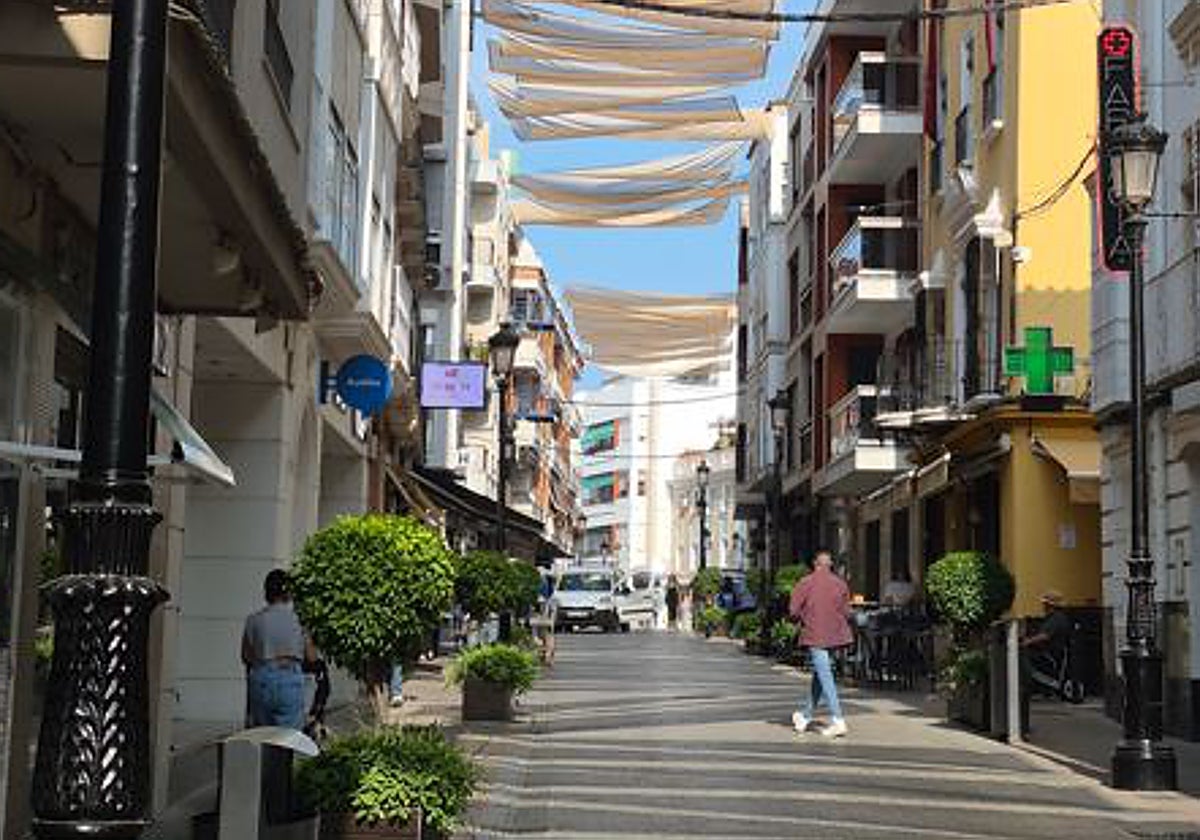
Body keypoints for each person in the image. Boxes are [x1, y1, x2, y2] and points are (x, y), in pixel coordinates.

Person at [789, 550, 853, 738]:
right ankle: (805, 716)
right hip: (835, 636)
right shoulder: (840, 584)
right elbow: (847, 612)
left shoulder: (805, 583)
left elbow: (793, 611)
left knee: (825, 675)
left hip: (815, 634)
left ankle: (838, 719)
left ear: (814, 563)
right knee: (821, 674)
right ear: (830, 564)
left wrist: (803, 616)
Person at [242, 569, 316, 729]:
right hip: (290, 677)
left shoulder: (253, 620)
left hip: (261, 679)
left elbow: (246, 656)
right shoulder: (300, 620)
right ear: (288, 593)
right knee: (289, 738)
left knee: (263, 735)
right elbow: (311, 657)